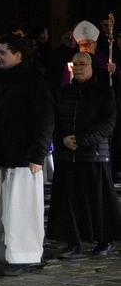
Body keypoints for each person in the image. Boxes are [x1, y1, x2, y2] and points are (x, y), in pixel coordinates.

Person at [47, 52, 121, 259]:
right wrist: (62, 139)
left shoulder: (104, 92)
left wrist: (82, 139)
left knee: (98, 200)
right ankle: (73, 242)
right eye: (74, 64)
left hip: (93, 154)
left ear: (92, 67)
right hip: (67, 154)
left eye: (82, 64)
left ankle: (104, 239)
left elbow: (108, 123)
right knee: (69, 201)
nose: (78, 68)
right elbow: (53, 121)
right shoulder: (64, 92)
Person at [0, 34, 54, 276]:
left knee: (22, 210)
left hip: (25, 159)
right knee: (3, 210)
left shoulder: (34, 82)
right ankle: (5, 252)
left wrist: (38, 154)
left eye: (3, 53)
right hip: (3, 157)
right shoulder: (2, 83)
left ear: (18, 55)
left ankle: (23, 256)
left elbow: (45, 119)